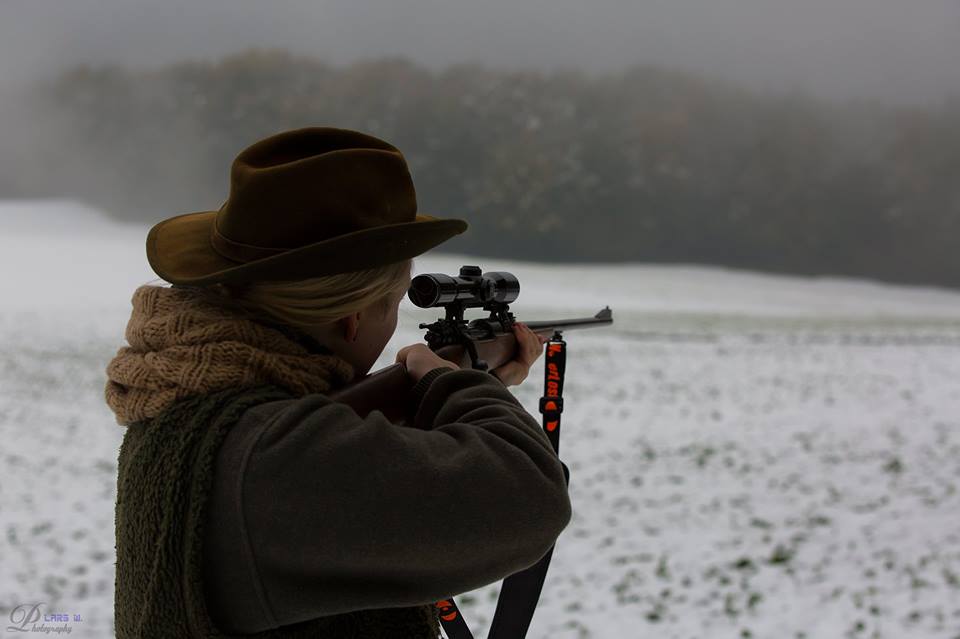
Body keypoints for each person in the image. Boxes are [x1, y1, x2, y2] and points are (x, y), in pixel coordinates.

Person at [104, 127, 572, 638]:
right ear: (351, 317)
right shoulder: (272, 456)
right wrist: (451, 385)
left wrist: (460, 391)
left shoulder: (195, 407)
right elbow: (533, 496)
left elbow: (352, 474)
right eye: (391, 306)